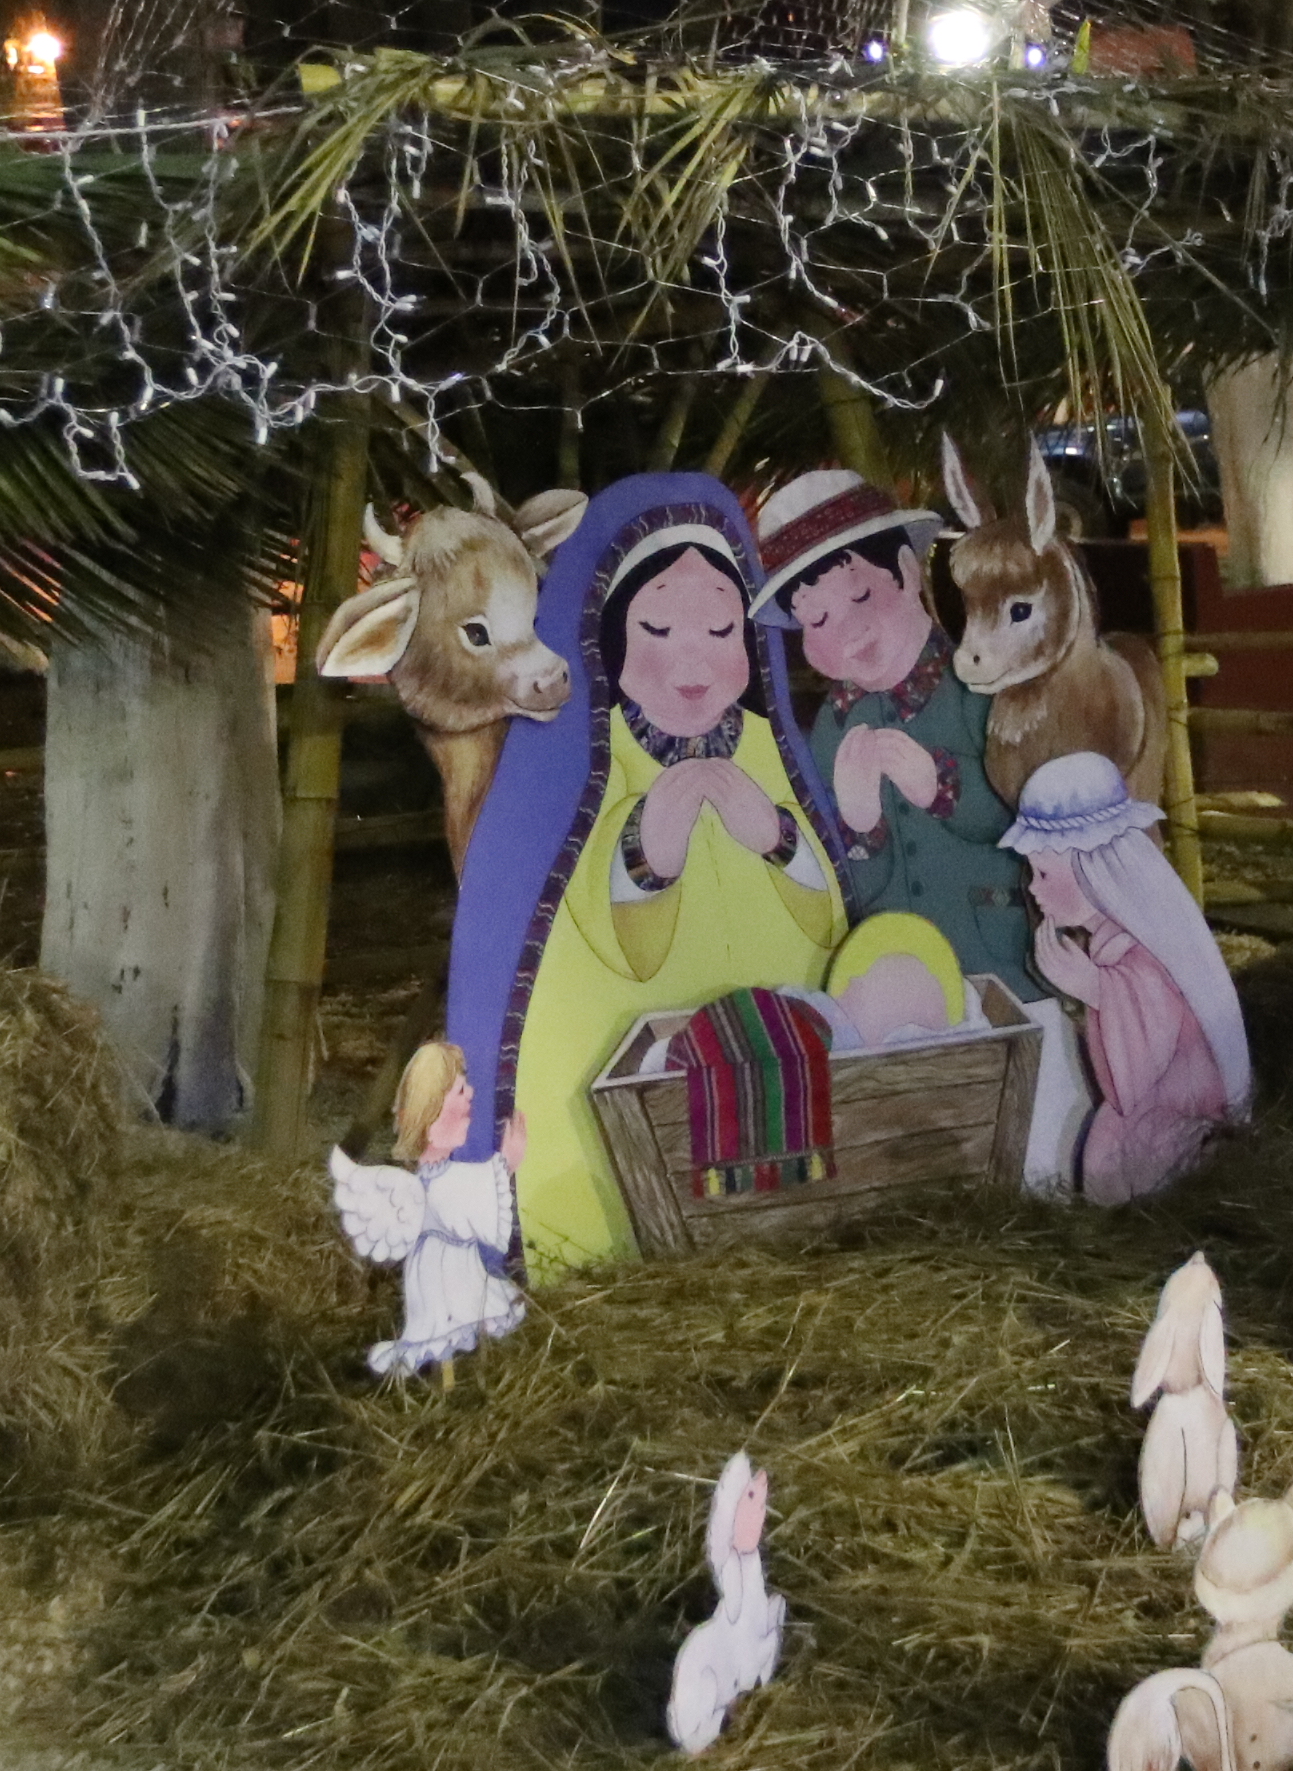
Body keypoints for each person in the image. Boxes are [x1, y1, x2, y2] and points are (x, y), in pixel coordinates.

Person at [436, 476, 848, 1269]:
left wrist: (780, 839)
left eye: (722, 630)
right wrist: (645, 854)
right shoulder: (594, 770)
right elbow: (605, 936)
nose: (693, 664)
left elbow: (829, 920)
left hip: (780, 1040)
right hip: (649, 1055)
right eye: (659, 629)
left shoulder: (771, 754)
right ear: (614, 642)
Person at [755, 466, 1037, 998]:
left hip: (998, 955)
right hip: (891, 975)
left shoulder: (979, 690)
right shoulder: (833, 731)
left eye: (860, 597)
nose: (847, 632)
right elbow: (838, 886)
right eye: (817, 621)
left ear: (908, 574)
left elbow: (1025, 812)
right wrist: (860, 830)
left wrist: (939, 786)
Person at [1000, 750, 1249, 1201]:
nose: (1034, 889)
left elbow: (1148, 1039)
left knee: (1120, 1158)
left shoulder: (1142, 948)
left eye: (1043, 873)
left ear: (1092, 871)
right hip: (1150, 1114)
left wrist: (1096, 989)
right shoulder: (1115, 939)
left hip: (1177, 1114)